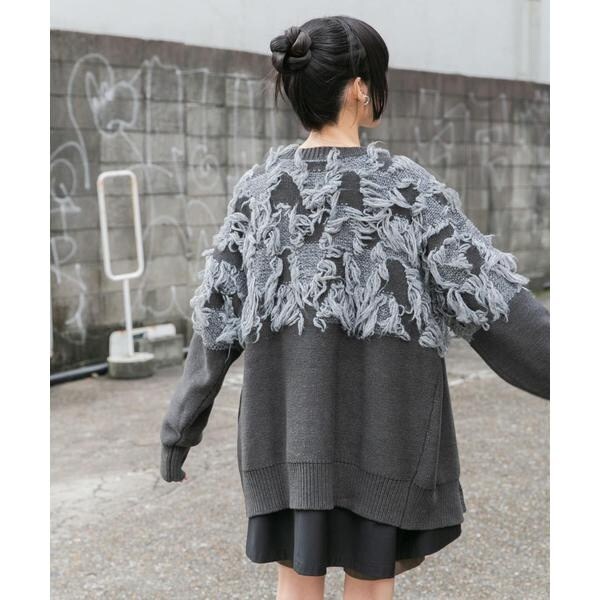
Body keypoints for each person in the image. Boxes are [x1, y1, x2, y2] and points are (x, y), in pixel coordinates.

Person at [159, 15, 550, 600]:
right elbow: (492, 299)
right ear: (360, 88)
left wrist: (179, 427)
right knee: (370, 586)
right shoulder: (406, 190)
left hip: (286, 441)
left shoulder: (258, 193)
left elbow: (215, 320)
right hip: (384, 441)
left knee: (296, 583)